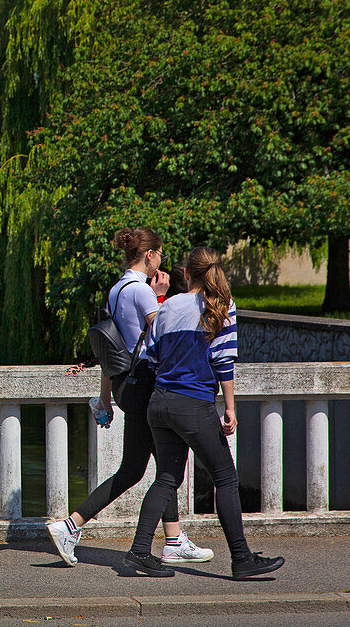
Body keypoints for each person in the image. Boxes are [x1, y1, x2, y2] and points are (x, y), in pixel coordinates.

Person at [47, 228, 212, 566]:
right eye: (160, 253)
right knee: (156, 469)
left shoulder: (115, 290)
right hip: (149, 386)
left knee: (144, 468)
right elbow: (163, 338)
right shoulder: (143, 293)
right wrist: (163, 297)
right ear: (149, 255)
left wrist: (106, 396)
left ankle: (172, 539)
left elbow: (112, 349)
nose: (162, 259)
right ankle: (72, 526)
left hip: (128, 387)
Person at [123, 247, 284, 579]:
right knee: (225, 477)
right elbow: (223, 362)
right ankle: (241, 558)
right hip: (193, 404)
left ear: (185, 274)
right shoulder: (221, 307)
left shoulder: (166, 307)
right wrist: (230, 408)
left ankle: (139, 552)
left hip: (160, 402)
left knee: (167, 477)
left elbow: (151, 356)